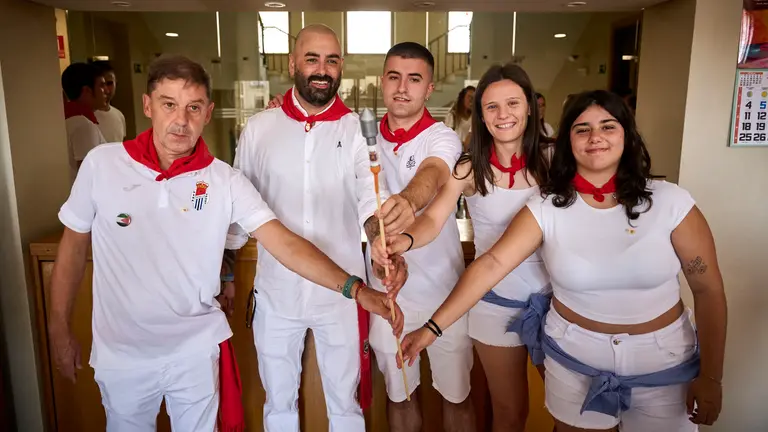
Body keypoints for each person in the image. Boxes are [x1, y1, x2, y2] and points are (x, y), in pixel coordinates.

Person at [48, 55, 404, 432]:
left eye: (194, 107)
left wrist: (356, 289)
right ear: (148, 105)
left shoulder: (224, 180)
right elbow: (72, 248)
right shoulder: (102, 165)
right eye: (169, 105)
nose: (181, 120)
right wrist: (59, 327)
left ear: (208, 113)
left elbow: (284, 244)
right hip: (122, 356)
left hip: (196, 353)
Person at [399, 90, 727, 432]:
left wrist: (712, 376)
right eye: (582, 129)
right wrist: (431, 329)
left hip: (663, 364)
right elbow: (491, 264)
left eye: (608, 126)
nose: (595, 137)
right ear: (566, 141)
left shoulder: (671, 203)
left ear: (627, 135)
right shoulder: (547, 206)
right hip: (575, 362)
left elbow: (708, 290)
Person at [226, 25, 409, 432]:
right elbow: (238, 211)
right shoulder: (259, 129)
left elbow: (369, 198)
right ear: (293, 64)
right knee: (278, 403)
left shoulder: (359, 132)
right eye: (312, 59)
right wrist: (224, 273)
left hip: (341, 294)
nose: (322, 69)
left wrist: (380, 238)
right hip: (275, 293)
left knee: (345, 406)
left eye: (331, 60)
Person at [372, 63, 551, 432]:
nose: (504, 115)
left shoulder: (555, 162)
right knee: (510, 415)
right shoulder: (470, 168)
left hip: (556, 303)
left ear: (530, 107)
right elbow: (435, 219)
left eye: (513, 103)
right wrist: (401, 241)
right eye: (492, 107)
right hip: (494, 302)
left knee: (572, 415)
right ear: (480, 115)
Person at [371, 42, 474, 432]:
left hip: (446, 293)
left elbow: (431, 175)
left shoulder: (442, 136)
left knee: (457, 398)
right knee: (399, 400)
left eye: (414, 79)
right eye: (394, 77)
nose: (402, 87)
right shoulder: (361, 138)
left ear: (429, 88)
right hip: (387, 295)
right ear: (383, 82)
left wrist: (407, 201)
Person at [62, 62, 107, 178]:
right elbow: (90, 175)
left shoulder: (68, 118)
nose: (106, 90)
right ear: (87, 90)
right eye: (101, 86)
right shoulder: (82, 125)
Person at [92, 60, 127, 142]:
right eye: (101, 84)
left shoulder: (119, 115)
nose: (106, 90)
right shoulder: (86, 118)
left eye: (109, 83)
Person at [444, 86, 475, 150]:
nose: (471, 100)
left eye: (474, 98)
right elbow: (447, 137)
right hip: (455, 150)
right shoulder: (452, 115)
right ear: (462, 99)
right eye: (469, 97)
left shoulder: (475, 116)